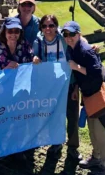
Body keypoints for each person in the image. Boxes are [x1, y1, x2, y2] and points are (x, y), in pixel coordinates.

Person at [63, 21, 105, 175]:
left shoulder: (85, 50)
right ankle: (96, 158)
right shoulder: (73, 48)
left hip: (100, 92)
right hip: (89, 93)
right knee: (92, 128)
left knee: (100, 131)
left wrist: (76, 67)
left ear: (79, 34)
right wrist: (76, 88)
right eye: (66, 35)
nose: (68, 38)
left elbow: (95, 73)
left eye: (72, 34)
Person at [33, 14, 81, 161]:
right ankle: (56, 143)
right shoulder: (38, 41)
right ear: (41, 28)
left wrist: (76, 87)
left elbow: (77, 46)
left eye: (51, 25)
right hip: (51, 87)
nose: (48, 29)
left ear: (56, 27)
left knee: (72, 118)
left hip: (69, 84)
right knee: (54, 117)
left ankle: (73, 148)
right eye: (45, 26)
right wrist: (34, 59)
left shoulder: (63, 38)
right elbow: (34, 58)